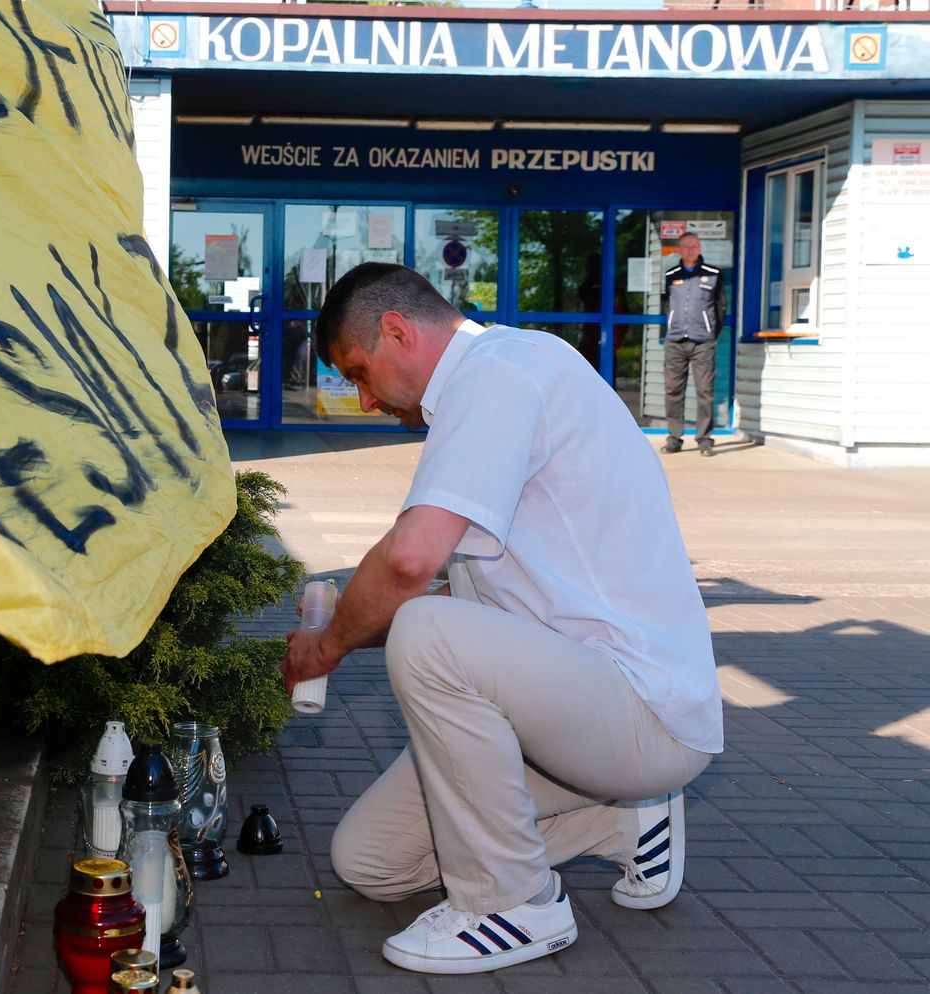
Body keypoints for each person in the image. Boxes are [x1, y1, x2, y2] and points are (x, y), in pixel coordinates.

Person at [281, 264, 722, 976]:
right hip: (576, 712)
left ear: (397, 330)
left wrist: (328, 647)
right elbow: (462, 602)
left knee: (426, 635)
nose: (363, 401)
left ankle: (513, 905)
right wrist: (363, 624)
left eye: (359, 373)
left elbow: (409, 563)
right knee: (370, 860)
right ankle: (624, 820)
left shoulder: (501, 375)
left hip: (644, 712)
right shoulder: (496, 379)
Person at [660, 233, 726, 456]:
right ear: (679, 249)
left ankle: (704, 439)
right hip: (676, 341)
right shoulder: (671, 276)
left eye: (694, 246)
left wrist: (709, 333)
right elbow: (667, 306)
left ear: (699, 248)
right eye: (686, 247)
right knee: (672, 390)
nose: (690, 250)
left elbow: (720, 309)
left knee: (705, 391)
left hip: (703, 343)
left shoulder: (714, 275)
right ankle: (674, 438)